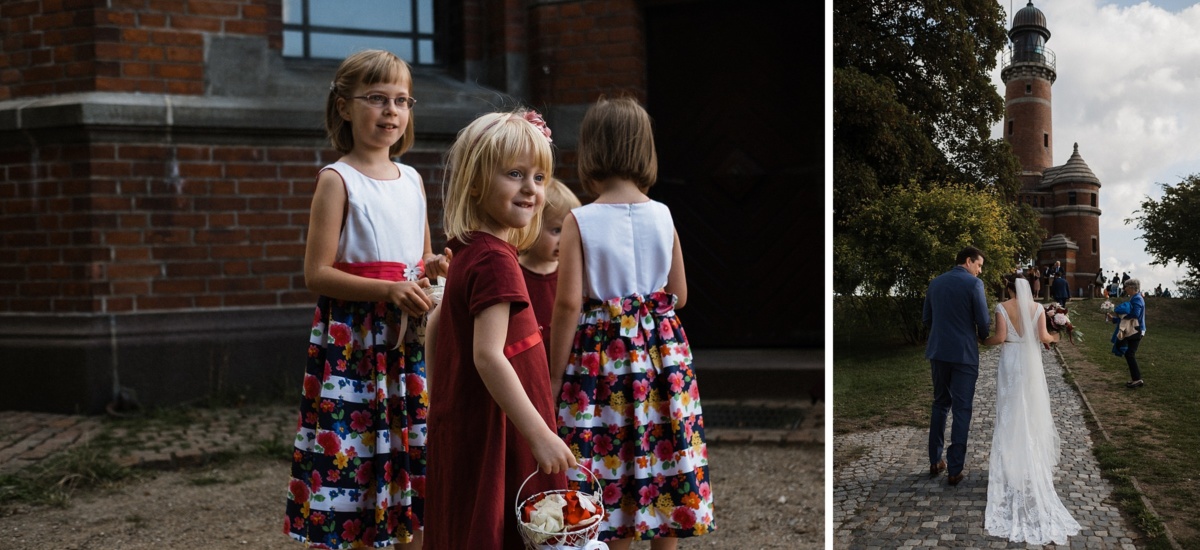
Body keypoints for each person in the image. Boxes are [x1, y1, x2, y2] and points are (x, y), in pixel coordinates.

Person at [285, 50, 450, 550]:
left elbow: (420, 258)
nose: (391, 111)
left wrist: (433, 269)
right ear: (343, 106)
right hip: (354, 342)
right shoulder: (338, 180)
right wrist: (387, 289)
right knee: (354, 452)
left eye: (401, 100)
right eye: (376, 98)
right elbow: (317, 272)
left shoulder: (415, 179)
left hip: (407, 340)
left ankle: (406, 535)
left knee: (409, 441)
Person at [550, 97, 716, 548]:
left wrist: (552, 376)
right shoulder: (663, 215)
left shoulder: (579, 220)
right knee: (665, 455)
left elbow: (567, 305)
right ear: (644, 149)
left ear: (591, 150)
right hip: (664, 360)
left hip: (604, 361)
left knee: (609, 458)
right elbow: (679, 294)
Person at [423, 109, 576, 549]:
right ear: (474, 182)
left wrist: (443, 400)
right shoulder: (495, 260)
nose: (531, 188)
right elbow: (488, 355)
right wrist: (540, 434)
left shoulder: (467, 249)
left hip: (475, 420)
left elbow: (436, 326)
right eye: (514, 174)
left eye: (540, 177)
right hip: (503, 429)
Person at [982, 275, 1081, 544]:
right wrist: (1058, 335)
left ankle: (1011, 465)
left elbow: (1000, 338)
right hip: (1031, 362)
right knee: (1032, 409)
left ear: (1009, 289)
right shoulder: (1038, 308)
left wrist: (984, 341)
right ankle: (1029, 461)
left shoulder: (1002, 307)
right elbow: (1043, 337)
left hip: (1011, 360)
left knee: (1010, 412)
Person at [923, 246, 990, 486]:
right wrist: (983, 335)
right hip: (963, 355)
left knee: (940, 404)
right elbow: (983, 321)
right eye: (979, 265)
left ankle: (934, 460)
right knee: (962, 409)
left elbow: (927, 319)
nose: (979, 271)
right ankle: (954, 469)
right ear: (968, 261)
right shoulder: (973, 285)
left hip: (938, 352)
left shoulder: (935, 283)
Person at [518, 178, 581, 362]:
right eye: (556, 230)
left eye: (570, 231)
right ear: (532, 226)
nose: (564, 239)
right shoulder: (514, 272)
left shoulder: (572, 274)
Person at [1107, 278, 1146, 389]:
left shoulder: (1137, 299)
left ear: (1132, 288)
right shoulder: (1135, 298)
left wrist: (1119, 314)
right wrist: (1114, 319)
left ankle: (1137, 379)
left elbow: (1135, 315)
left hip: (1136, 330)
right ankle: (1136, 379)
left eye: (1126, 287)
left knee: (1129, 353)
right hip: (1135, 329)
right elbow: (1128, 319)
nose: (1125, 289)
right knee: (1128, 353)